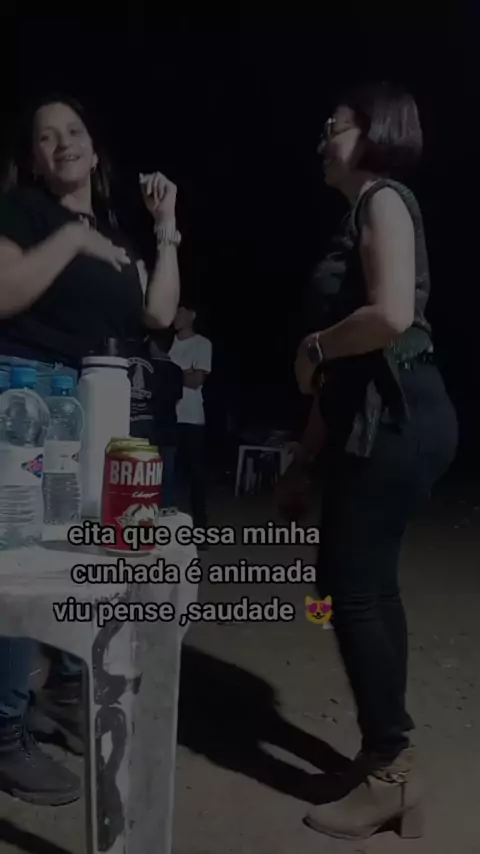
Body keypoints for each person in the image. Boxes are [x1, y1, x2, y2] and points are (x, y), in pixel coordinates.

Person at [283, 82, 458, 840]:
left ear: (375, 132)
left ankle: (392, 763)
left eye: (336, 125)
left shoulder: (383, 197)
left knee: (352, 589)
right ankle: (388, 756)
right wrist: (305, 458)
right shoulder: (356, 215)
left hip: (402, 415)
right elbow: (346, 374)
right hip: (376, 417)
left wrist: (314, 345)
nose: (322, 138)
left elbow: (390, 316)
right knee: (360, 584)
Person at [0, 93, 181, 805]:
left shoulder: (117, 236)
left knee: (85, 547)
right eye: (46, 137)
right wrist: (71, 241)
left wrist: (165, 229)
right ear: (34, 159)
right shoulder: (24, 213)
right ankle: (4, 730)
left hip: (94, 402)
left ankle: (68, 691)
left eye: (73, 130)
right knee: (22, 558)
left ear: (94, 149)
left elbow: (159, 312)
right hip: (25, 394)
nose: (62, 142)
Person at [169, 301, 212, 532]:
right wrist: (184, 372)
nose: (174, 316)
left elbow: (196, 381)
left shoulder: (202, 344)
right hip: (168, 416)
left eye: (179, 312)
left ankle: (201, 528)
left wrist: (172, 373)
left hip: (192, 417)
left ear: (192, 315)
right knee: (168, 473)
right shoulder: (166, 344)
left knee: (196, 474)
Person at [148, 330, 184, 509]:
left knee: (145, 472)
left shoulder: (148, 367)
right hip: (169, 427)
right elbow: (177, 398)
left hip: (149, 426)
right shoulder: (177, 371)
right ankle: (165, 508)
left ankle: (145, 507)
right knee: (167, 474)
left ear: (153, 344)